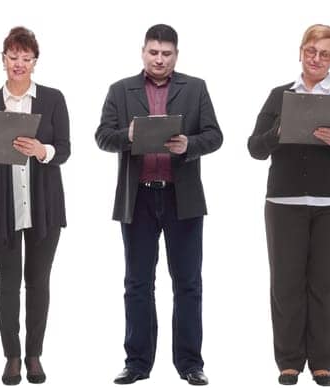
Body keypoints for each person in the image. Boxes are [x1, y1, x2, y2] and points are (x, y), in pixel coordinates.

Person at [246, 24, 330, 387]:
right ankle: (288, 361)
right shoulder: (279, 96)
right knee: (286, 283)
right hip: (285, 202)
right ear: (300, 51)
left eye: (326, 54)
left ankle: (322, 361)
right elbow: (255, 148)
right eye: (311, 51)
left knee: (328, 285)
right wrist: (278, 132)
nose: (317, 59)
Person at [95, 24, 222, 386]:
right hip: (138, 198)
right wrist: (129, 136)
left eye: (166, 53)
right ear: (143, 52)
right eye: (154, 52)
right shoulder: (120, 91)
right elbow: (102, 136)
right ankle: (136, 363)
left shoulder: (195, 88)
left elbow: (215, 135)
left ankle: (190, 364)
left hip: (182, 198)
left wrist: (190, 145)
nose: (159, 59)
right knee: (137, 283)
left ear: (176, 55)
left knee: (188, 284)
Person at [0, 26, 71, 387]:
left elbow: (65, 147)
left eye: (25, 57)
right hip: (2, 205)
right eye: (13, 56)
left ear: (35, 61)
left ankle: (34, 354)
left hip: (44, 206)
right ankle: (12, 356)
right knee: (7, 282)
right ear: (3, 59)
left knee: (38, 282)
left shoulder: (53, 99)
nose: (19, 63)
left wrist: (41, 151)